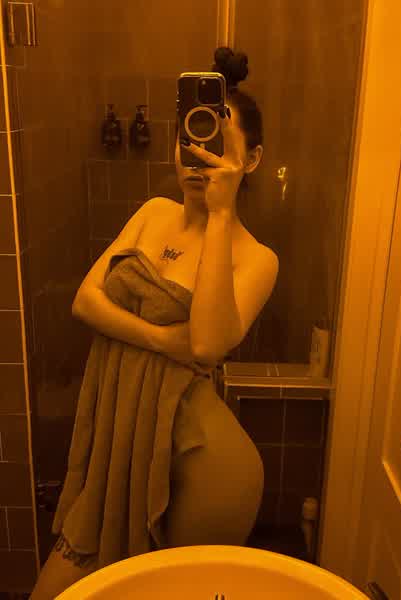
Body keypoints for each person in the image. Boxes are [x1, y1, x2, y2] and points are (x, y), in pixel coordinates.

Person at [30, 46, 279, 600]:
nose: (197, 157)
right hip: (117, 434)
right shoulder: (152, 213)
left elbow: (207, 345)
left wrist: (220, 213)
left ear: (252, 160)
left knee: (168, 590)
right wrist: (165, 340)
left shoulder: (256, 259)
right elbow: (84, 302)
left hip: (196, 460)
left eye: (216, 144)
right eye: (190, 138)